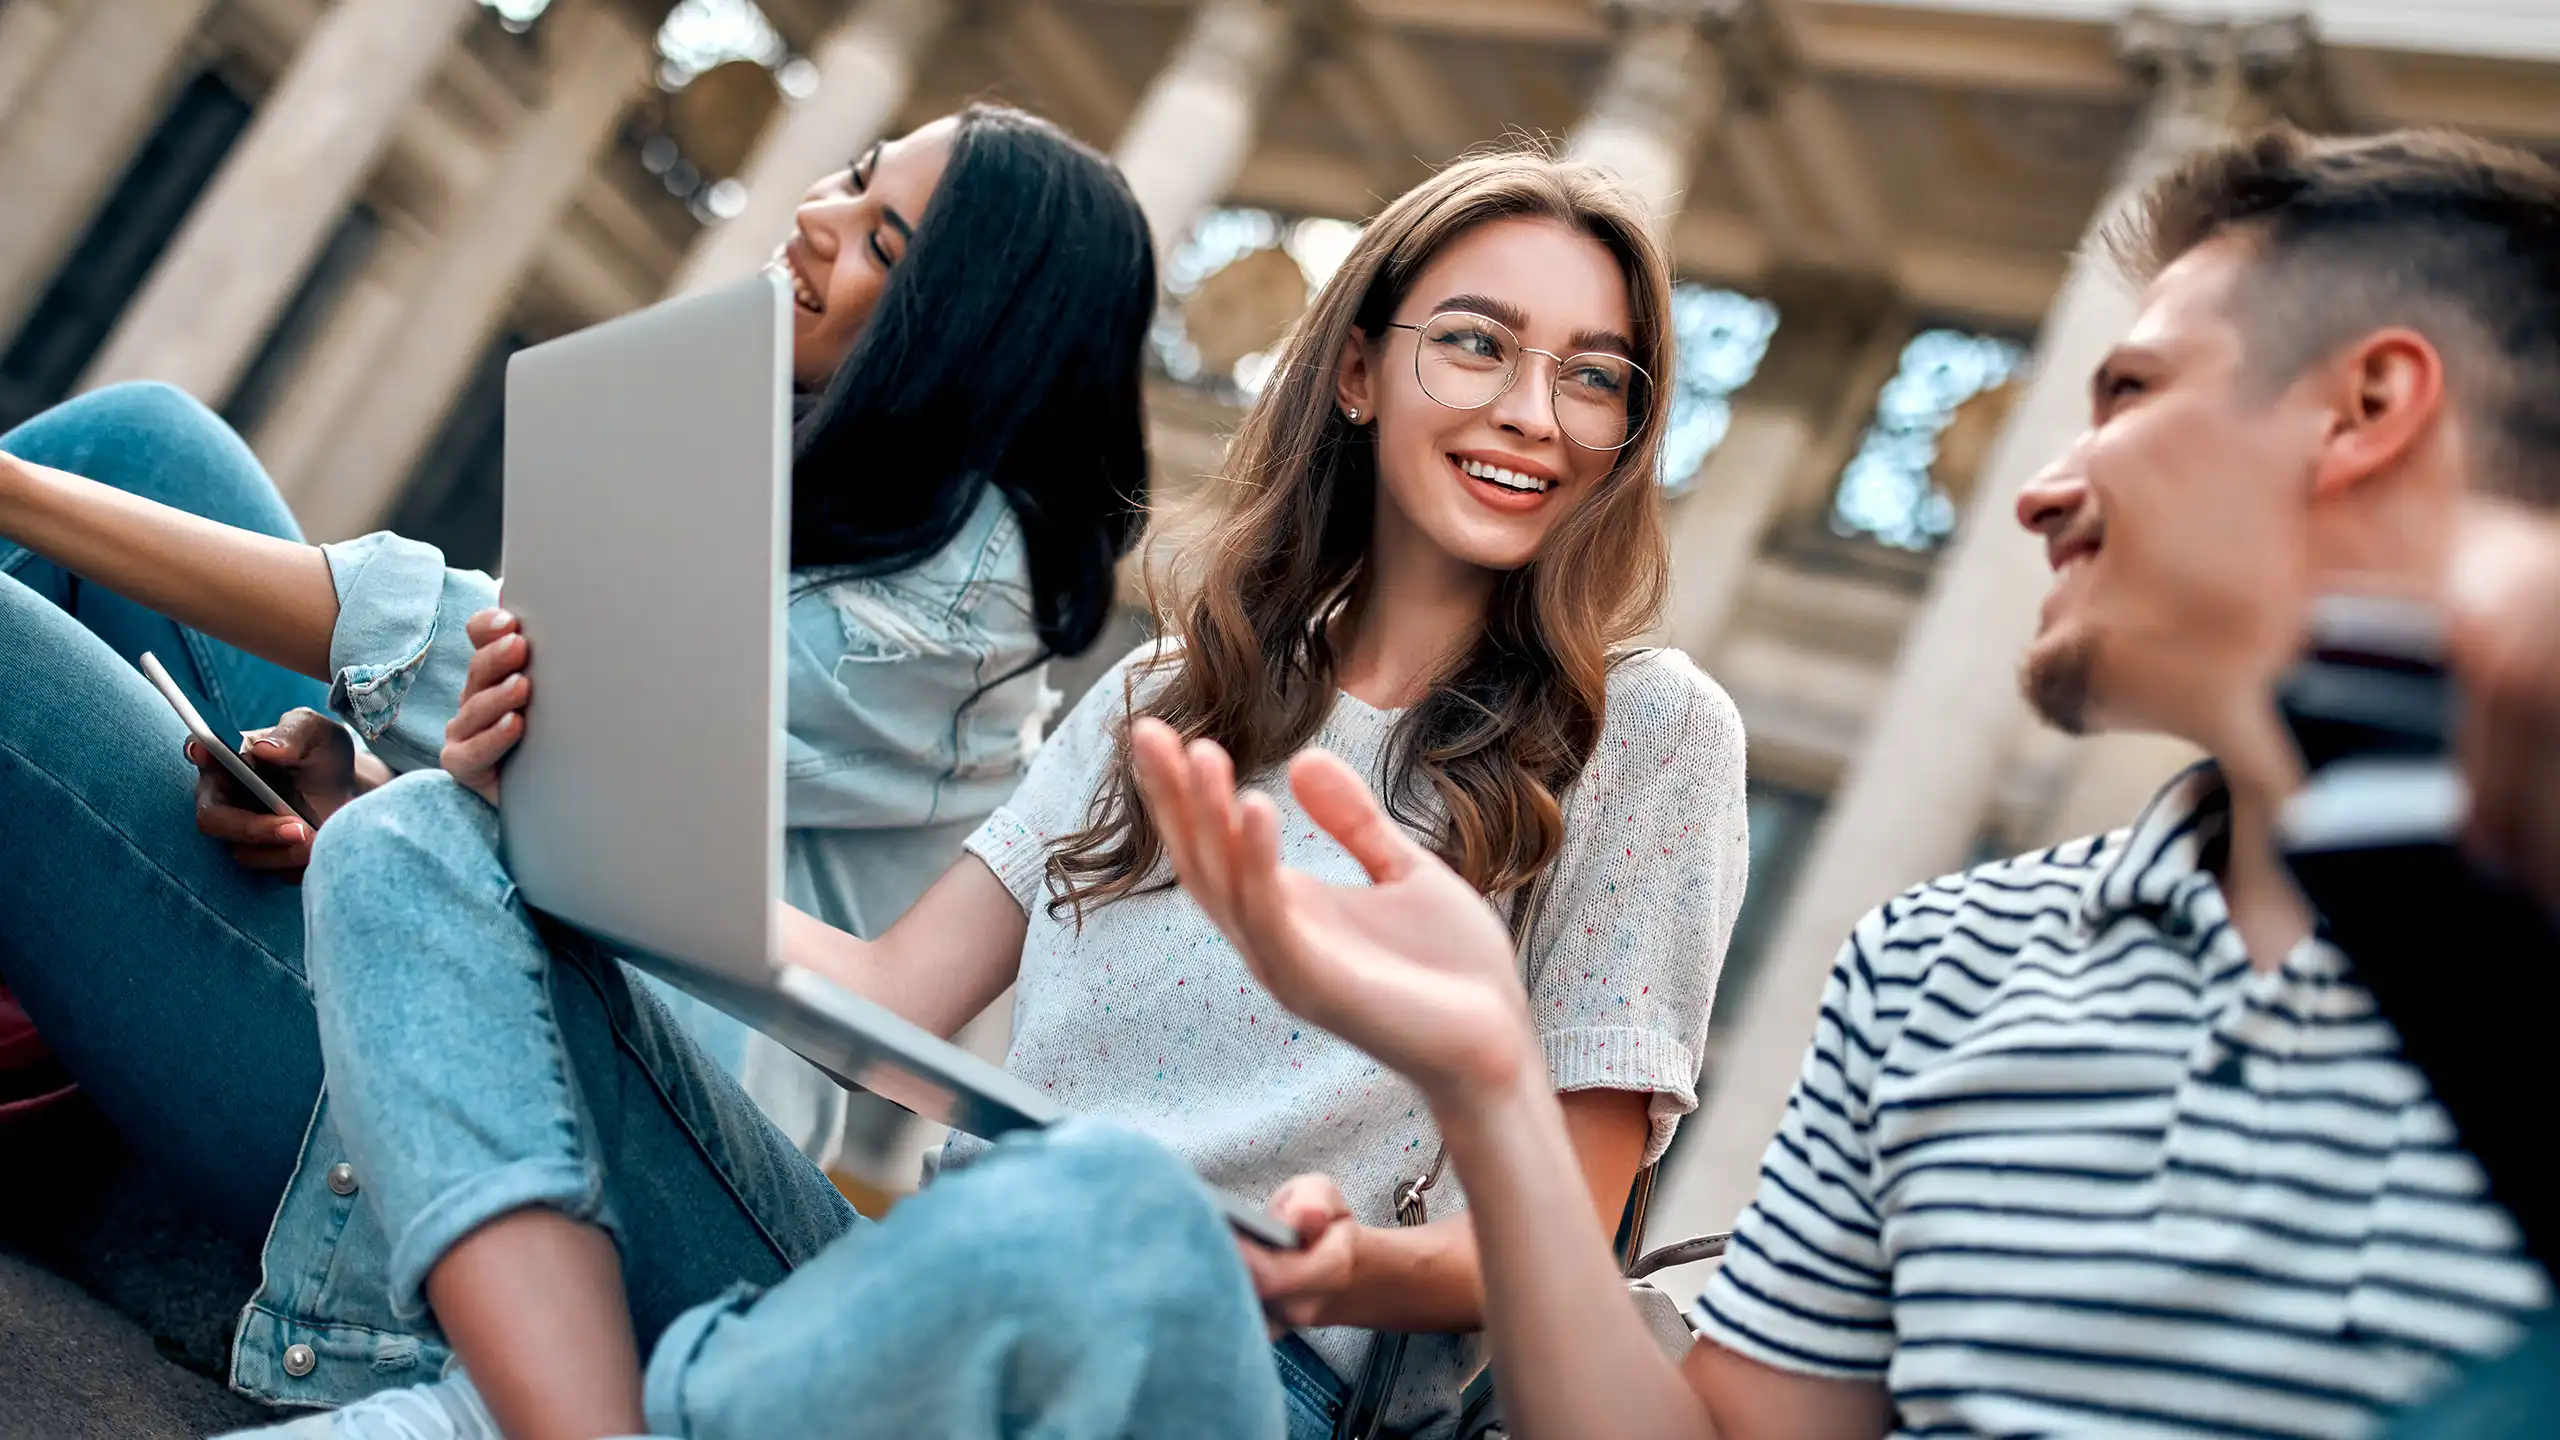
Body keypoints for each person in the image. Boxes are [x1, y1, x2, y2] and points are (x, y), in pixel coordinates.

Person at [1088, 123, 2560, 1440]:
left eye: (2128, 393)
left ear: (2369, 406)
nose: (2041, 490)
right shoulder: (1939, 966)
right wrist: (1487, 1085)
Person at [265, 148, 1748, 1439]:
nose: (1537, 415)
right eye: (1479, 345)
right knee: (413, 840)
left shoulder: (1649, 735)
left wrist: (1337, 1264)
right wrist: (552, 816)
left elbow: (1552, 1239)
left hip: (1230, 1362)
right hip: (921, 1280)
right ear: (1356, 371)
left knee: (1112, 1209)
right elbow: (893, 1001)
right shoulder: (1175, 686)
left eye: (1597, 376)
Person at [0, 98, 1152, 1405]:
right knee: (144, 442)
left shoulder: (948, 593)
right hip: (470, 962)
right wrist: (367, 793)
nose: (816, 219)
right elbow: (579, 806)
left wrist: (19, 498)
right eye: (850, 175)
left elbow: (504, 659)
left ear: (967, 336)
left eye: (883, 244)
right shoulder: (823, 457)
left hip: (519, 1102)